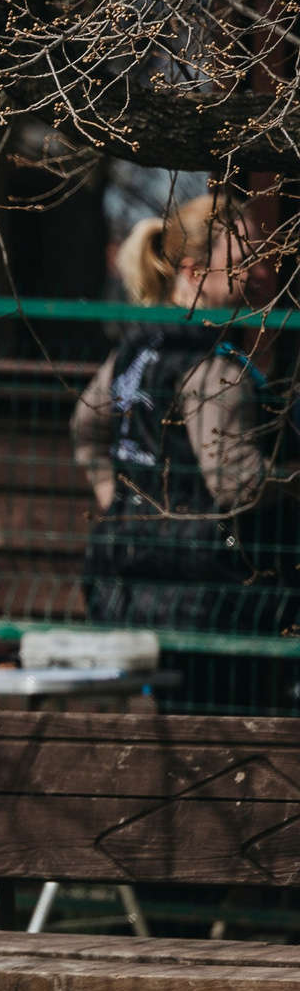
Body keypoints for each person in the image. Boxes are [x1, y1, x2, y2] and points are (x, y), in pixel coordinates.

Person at [75, 195, 298, 677]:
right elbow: (239, 483)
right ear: (196, 273)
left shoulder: (136, 347)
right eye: (245, 262)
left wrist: (122, 501)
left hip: (118, 579)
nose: (260, 274)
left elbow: (85, 429)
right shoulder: (215, 371)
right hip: (202, 603)